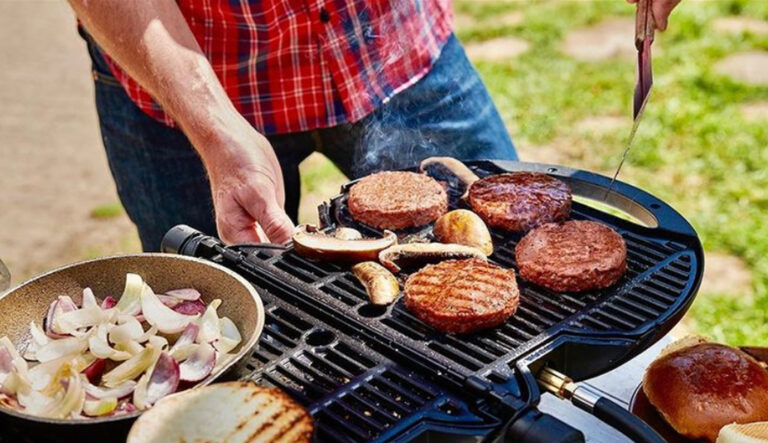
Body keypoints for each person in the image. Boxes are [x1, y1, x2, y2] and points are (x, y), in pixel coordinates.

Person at [68, 0, 681, 251]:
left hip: (391, 45)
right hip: (188, 81)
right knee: (223, 332)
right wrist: (214, 129)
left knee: (516, 249)